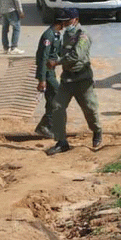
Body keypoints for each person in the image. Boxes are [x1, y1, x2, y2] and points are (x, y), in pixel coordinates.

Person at [45, 8, 103, 155]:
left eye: (67, 20)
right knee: (57, 107)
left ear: (75, 20)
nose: (65, 23)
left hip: (82, 80)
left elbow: (77, 55)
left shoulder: (83, 36)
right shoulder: (65, 35)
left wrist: (57, 62)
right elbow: (62, 51)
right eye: (64, 21)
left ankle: (97, 131)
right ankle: (61, 141)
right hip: (67, 79)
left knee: (89, 108)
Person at [34, 9, 69, 138]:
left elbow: (58, 53)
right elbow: (43, 58)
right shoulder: (48, 36)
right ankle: (45, 125)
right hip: (47, 73)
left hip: (51, 71)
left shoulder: (57, 34)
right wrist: (42, 79)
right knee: (58, 96)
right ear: (61, 22)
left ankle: (46, 126)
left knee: (51, 99)